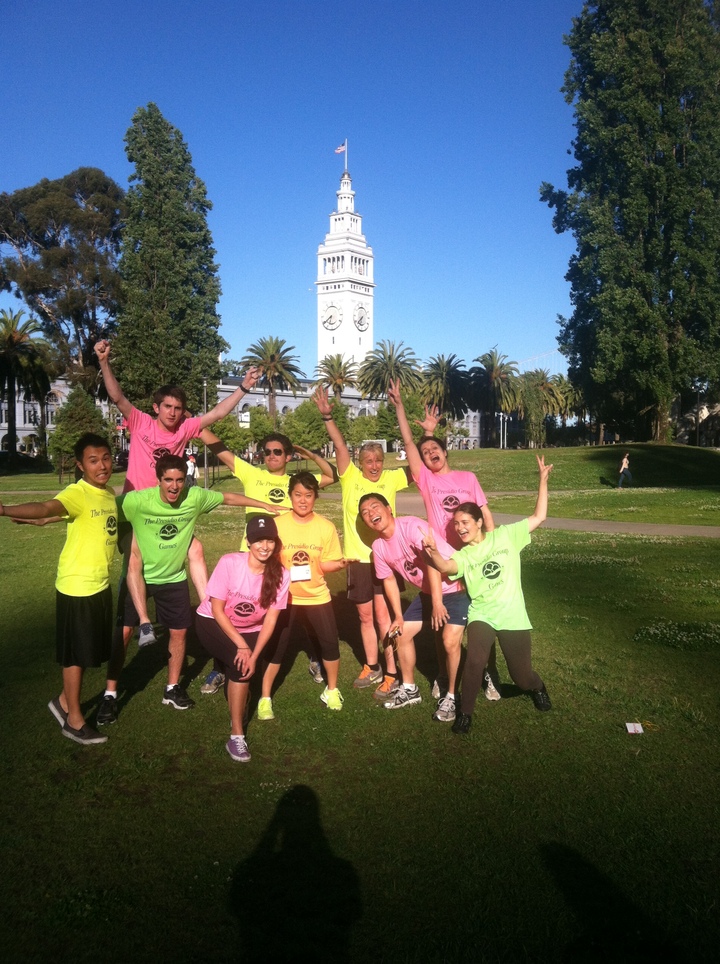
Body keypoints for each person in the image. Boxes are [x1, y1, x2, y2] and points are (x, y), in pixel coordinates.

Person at [94, 338, 261, 646]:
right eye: (167, 407)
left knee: (195, 549)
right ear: (157, 407)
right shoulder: (141, 421)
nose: (172, 413)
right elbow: (117, 397)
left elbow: (217, 415)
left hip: (168, 507)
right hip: (138, 509)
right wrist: (104, 362)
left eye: (178, 408)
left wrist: (244, 388)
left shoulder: (185, 428)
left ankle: (210, 605)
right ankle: (144, 622)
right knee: (135, 557)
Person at [96, 455, 279, 723]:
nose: (173, 486)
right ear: (158, 479)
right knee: (123, 634)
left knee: (179, 633)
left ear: (185, 480)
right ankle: (110, 694)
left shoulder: (193, 497)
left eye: (179, 480)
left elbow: (227, 498)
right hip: (140, 578)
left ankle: (171, 688)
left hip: (173, 578)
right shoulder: (137, 501)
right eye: (168, 480)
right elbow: (102, 509)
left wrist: (262, 504)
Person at [387, 379, 502, 702]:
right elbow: (412, 445)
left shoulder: (468, 478)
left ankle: (489, 674)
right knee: (440, 623)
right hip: (442, 560)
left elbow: (486, 516)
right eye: (425, 453)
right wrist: (399, 407)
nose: (429, 454)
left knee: (482, 618)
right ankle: (441, 672)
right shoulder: (425, 479)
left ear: (446, 450)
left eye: (435, 449)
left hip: (475, 558)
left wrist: (493, 548)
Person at [423, 455, 554, 735]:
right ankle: (465, 714)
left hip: (512, 614)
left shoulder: (507, 536)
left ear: (479, 522)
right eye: (456, 523)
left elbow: (539, 517)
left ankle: (537, 687)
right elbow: (446, 566)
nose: (459, 527)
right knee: (475, 660)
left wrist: (542, 481)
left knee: (521, 676)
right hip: (483, 614)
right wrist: (433, 553)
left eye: (465, 522)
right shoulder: (465, 555)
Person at [0, 433, 118, 745]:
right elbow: (46, 506)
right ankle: (73, 721)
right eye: (93, 461)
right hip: (77, 587)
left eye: (105, 457)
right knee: (76, 656)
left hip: (99, 586)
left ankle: (63, 702)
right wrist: (4, 509)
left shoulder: (107, 493)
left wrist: (42, 522)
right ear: (80, 466)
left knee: (88, 652)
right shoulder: (78, 491)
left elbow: (57, 516)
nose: (102, 465)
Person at [199, 425, 336, 692]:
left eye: (278, 452)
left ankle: (312, 654)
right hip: (249, 555)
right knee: (229, 611)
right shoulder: (252, 474)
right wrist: (195, 426)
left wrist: (309, 453)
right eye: (267, 452)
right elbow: (221, 450)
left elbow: (332, 475)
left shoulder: (296, 483)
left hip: (284, 555)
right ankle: (219, 668)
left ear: (288, 456)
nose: (271, 456)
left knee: (294, 609)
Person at [312, 386, 411, 700]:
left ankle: (392, 672)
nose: (374, 464)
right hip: (358, 559)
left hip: (387, 558)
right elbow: (339, 444)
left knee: (384, 617)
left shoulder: (393, 478)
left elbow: (421, 466)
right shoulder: (350, 477)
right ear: (358, 461)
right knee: (365, 617)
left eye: (378, 459)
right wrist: (327, 415)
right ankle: (373, 665)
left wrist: (402, 412)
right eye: (368, 459)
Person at [359, 493, 468, 720]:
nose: (371, 514)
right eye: (365, 513)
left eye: (375, 507)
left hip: (455, 587)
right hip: (428, 593)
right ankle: (409, 689)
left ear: (389, 508)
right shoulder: (378, 547)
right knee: (401, 634)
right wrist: (398, 616)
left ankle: (451, 696)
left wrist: (437, 603)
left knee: (449, 641)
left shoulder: (411, 527)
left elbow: (432, 563)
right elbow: (388, 580)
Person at [195, 515, 291, 762]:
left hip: (251, 628)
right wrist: (241, 647)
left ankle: (232, 685)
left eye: (269, 540)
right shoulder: (229, 563)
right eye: (258, 540)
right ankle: (236, 735)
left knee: (248, 666)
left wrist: (254, 654)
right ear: (248, 542)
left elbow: (270, 621)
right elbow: (217, 610)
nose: (264, 546)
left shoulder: (281, 574)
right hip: (212, 622)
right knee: (240, 667)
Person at [258, 472, 353, 717]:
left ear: (315, 497)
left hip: (317, 596)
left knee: (330, 644)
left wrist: (339, 565)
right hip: (284, 597)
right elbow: (265, 557)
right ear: (290, 496)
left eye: (308, 495)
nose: (303, 500)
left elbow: (326, 563)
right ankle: (265, 697)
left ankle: (331, 690)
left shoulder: (326, 527)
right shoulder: (277, 525)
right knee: (276, 648)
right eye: (298, 495)